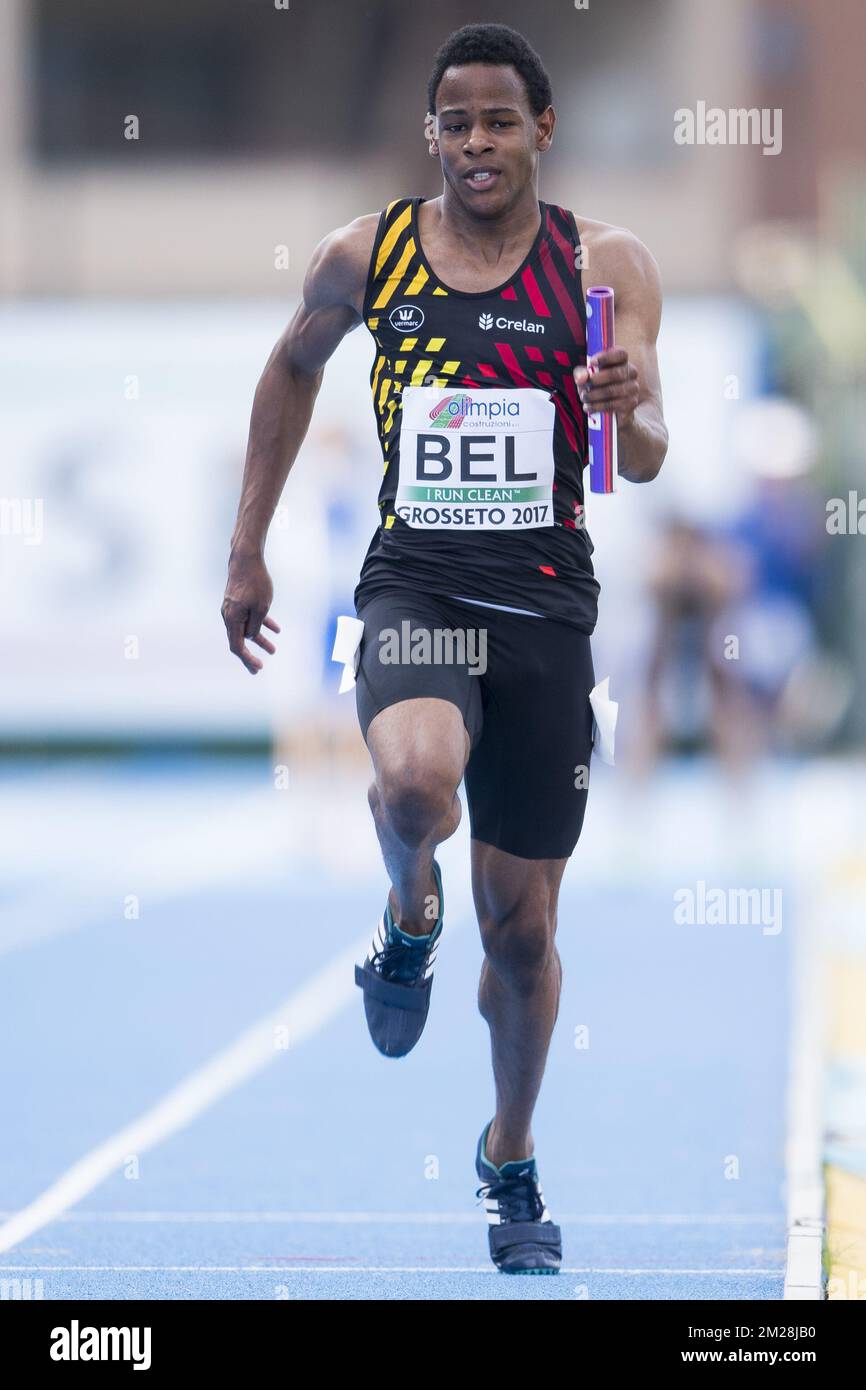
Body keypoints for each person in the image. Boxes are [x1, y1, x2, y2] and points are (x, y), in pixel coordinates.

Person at [222, 22, 667, 1274]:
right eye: (454, 123)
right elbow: (288, 370)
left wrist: (632, 408)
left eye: (498, 121)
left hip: (543, 613)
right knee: (413, 781)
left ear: (541, 130)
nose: (476, 143)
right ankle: (403, 917)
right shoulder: (365, 257)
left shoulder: (602, 263)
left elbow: (639, 459)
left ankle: (508, 1154)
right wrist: (246, 547)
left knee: (520, 935)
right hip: (416, 583)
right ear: (433, 135)